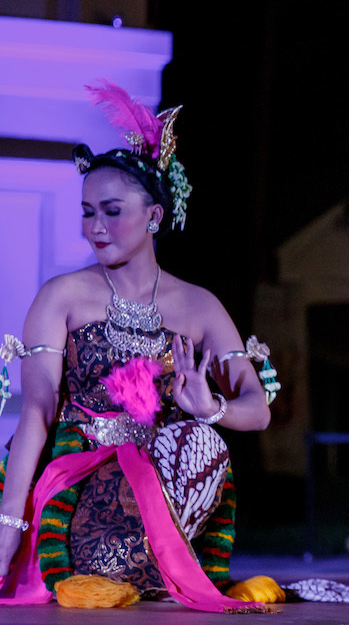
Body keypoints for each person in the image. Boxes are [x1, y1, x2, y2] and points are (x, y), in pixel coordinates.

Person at [0, 82, 272, 612]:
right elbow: (36, 408)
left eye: (111, 211)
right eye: (86, 212)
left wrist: (210, 407)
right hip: (74, 479)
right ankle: (100, 567)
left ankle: (153, 565)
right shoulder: (63, 296)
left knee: (204, 442)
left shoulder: (199, 306)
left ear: (153, 216)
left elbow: (257, 411)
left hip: (156, 482)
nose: (94, 229)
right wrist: (8, 524)